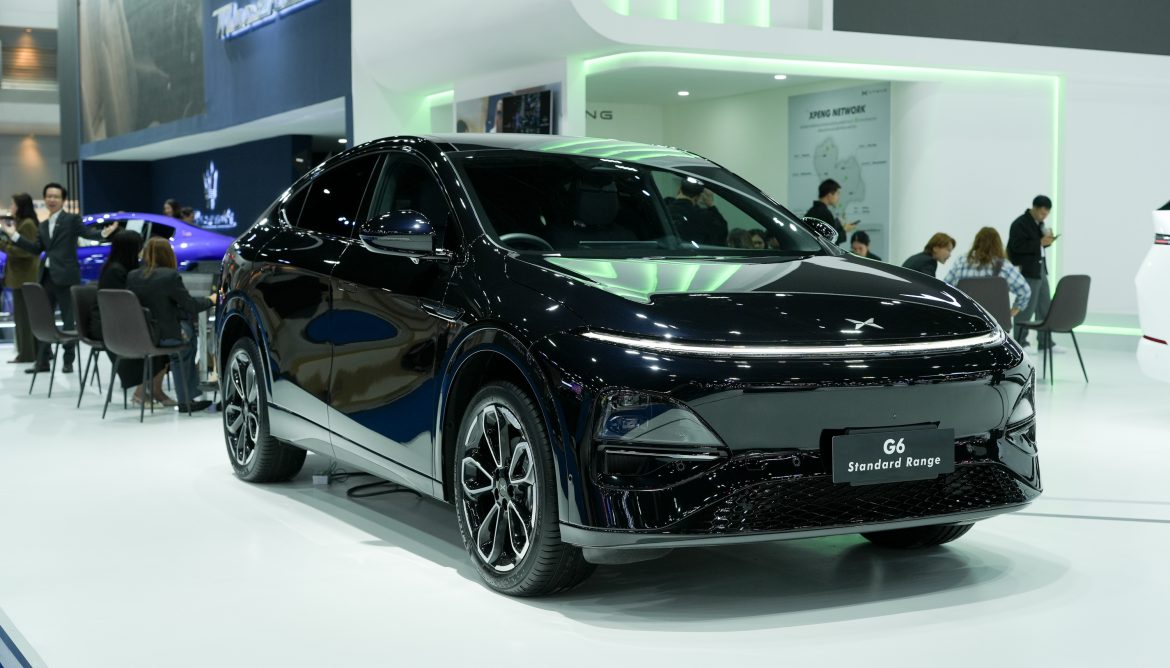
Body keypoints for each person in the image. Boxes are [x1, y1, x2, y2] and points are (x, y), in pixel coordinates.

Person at [0, 182, 118, 373]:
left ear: (63, 200)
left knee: (69, 320)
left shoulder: (71, 220)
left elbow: (88, 233)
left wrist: (104, 233)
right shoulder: (43, 225)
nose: (51, 200)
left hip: (66, 277)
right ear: (45, 199)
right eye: (48, 196)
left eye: (55, 196)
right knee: (44, 320)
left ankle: (68, 361)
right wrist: (14, 236)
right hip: (46, 277)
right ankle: (43, 361)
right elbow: (36, 249)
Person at [126, 237, 217, 412]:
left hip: (140, 335)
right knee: (187, 343)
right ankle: (186, 400)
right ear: (168, 254)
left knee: (183, 338)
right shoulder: (170, 276)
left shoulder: (133, 276)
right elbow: (190, 306)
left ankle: (186, 398)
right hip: (165, 335)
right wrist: (211, 300)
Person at [92, 230, 173, 407]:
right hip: (110, 325)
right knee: (158, 336)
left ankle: (155, 391)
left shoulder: (119, 268)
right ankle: (141, 392)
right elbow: (123, 303)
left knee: (161, 336)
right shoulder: (116, 271)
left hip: (119, 320)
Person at [944, 227, 1031, 318]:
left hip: (964, 319)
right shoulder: (1004, 266)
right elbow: (1025, 290)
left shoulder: (961, 261)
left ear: (976, 242)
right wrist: (1011, 313)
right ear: (997, 245)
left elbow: (945, 287)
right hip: (994, 321)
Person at [1007, 195, 1055, 349]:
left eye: (1046, 214)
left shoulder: (1039, 224)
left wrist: (1046, 241)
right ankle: (1020, 342)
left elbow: (1037, 246)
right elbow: (1016, 247)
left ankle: (1045, 342)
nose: (1044, 216)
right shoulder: (1020, 223)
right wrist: (1039, 242)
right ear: (1034, 208)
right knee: (1026, 306)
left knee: (1044, 305)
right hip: (1028, 269)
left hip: (1040, 268)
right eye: (1042, 213)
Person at [1, 193, 41, 363]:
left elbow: (26, 252)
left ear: (20, 206)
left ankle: (27, 354)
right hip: (22, 278)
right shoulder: (24, 223)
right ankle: (29, 353)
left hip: (24, 278)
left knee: (24, 318)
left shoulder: (27, 224)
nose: (11, 207)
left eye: (13, 204)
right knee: (23, 317)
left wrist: (3, 245)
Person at [665, 178, 728, 246]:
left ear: (680, 189)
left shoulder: (663, 208)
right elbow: (722, 232)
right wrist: (711, 206)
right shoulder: (703, 217)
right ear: (699, 196)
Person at [804, 179, 856, 244]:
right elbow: (830, 242)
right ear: (829, 195)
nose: (838, 197)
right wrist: (845, 230)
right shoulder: (825, 213)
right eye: (837, 194)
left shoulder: (812, 211)